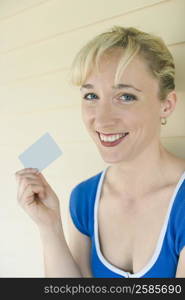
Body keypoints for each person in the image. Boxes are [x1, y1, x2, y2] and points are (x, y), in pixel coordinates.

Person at [15, 26, 185, 278]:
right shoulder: (83, 198)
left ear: (166, 105)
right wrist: (49, 226)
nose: (102, 120)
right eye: (91, 95)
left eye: (125, 96)